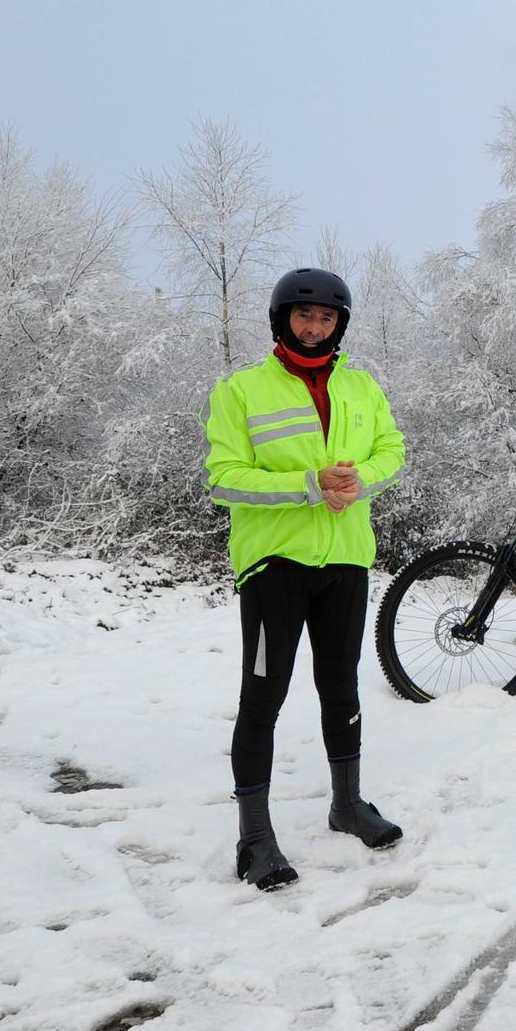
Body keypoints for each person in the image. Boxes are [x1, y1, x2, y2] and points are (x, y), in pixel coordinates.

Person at [203, 267, 407, 891]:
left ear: (339, 324)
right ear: (281, 318)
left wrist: (360, 481)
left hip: (345, 559)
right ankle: (255, 838)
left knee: (341, 686)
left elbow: (391, 449)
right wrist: (308, 486)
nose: (314, 326)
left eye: (326, 318)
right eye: (303, 315)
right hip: (275, 565)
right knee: (263, 697)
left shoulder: (361, 386)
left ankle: (347, 806)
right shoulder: (241, 390)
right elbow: (223, 477)